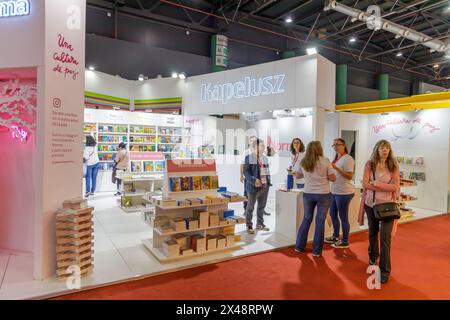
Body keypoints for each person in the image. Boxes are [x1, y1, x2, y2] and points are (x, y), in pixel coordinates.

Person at [362, 139, 400, 284]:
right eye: (383, 148)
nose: (385, 150)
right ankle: (373, 256)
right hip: (371, 205)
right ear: (377, 149)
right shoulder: (369, 164)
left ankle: (384, 271)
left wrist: (376, 184)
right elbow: (365, 184)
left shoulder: (393, 165)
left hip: (388, 205)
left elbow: (395, 187)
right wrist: (386, 186)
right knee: (372, 232)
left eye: (388, 148)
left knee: (385, 238)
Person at [294, 141, 336, 257]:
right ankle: (316, 251)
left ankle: (299, 247)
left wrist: (308, 175)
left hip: (308, 193)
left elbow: (297, 175)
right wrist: (323, 176)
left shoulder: (304, 161)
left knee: (306, 219)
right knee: (320, 221)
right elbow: (333, 178)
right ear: (319, 149)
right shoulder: (325, 160)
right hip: (323, 194)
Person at [325, 138, 355, 249]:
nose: (335, 146)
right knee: (332, 214)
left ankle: (345, 240)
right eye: (334, 145)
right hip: (335, 191)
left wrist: (336, 168)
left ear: (344, 145)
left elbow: (349, 176)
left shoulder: (348, 159)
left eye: (338, 144)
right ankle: (335, 236)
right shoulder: (337, 158)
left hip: (344, 192)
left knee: (343, 217)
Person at [243, 138, 271, 234]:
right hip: (253, 186)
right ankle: (249, 225)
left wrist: (267, 182)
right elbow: (246, 172)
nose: (263, 147)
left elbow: (266, 171)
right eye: (261, 145)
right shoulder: (249, 157)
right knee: (250, 207)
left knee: (261, 207)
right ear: (255, 146)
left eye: (263, 145)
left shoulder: (265, 158)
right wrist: (254, 180)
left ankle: (260, 224)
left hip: (265, 186)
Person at [240, 136, 257, 211]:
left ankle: (257, 209)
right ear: (249, 142)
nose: (253, 142)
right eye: (251, 140)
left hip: (257, 177)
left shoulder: (258, 151)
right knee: (246, 193)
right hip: (248, 177)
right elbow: (242, 164)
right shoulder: (246, 152)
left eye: (254, 140)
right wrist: (241, 175)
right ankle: (245, 209)